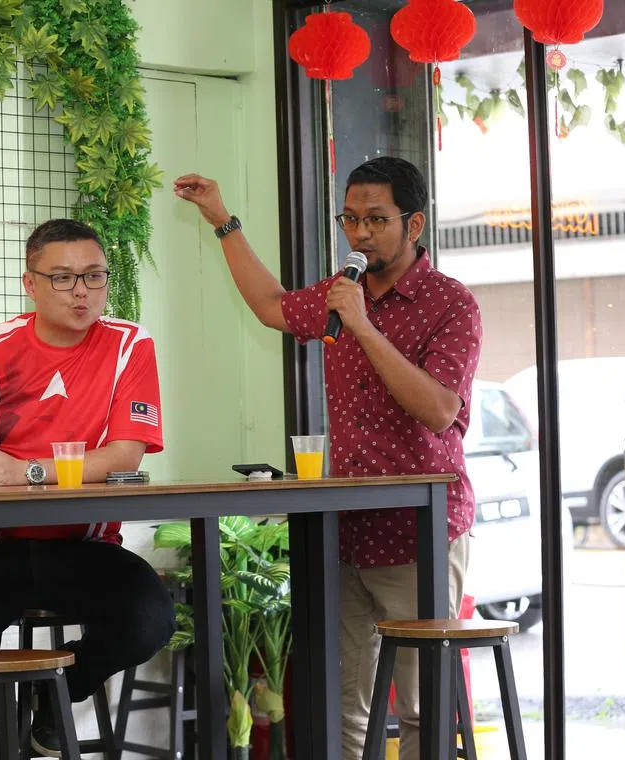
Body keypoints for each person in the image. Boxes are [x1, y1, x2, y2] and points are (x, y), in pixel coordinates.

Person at [175, 158, 481, 760]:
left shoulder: (452, 305)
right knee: (342, 703)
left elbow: (441, 409)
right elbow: (272, 305)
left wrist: (365, 328)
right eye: (350, 219)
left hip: (419, 534)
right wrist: (221, 220)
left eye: (375, 220)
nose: (359, 233)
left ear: (414, 223)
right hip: (345, 531)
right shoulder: (343, 291)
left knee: (420, 707)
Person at [0, 219, 176, 757]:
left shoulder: (129, 346)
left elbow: (125, 455)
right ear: (30, 283)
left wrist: (26, 470)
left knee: (150, 618)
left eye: (94, 277)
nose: (81, 292)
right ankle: (0, 732)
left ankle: (56, 699)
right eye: (64, 278)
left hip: (85, 549)